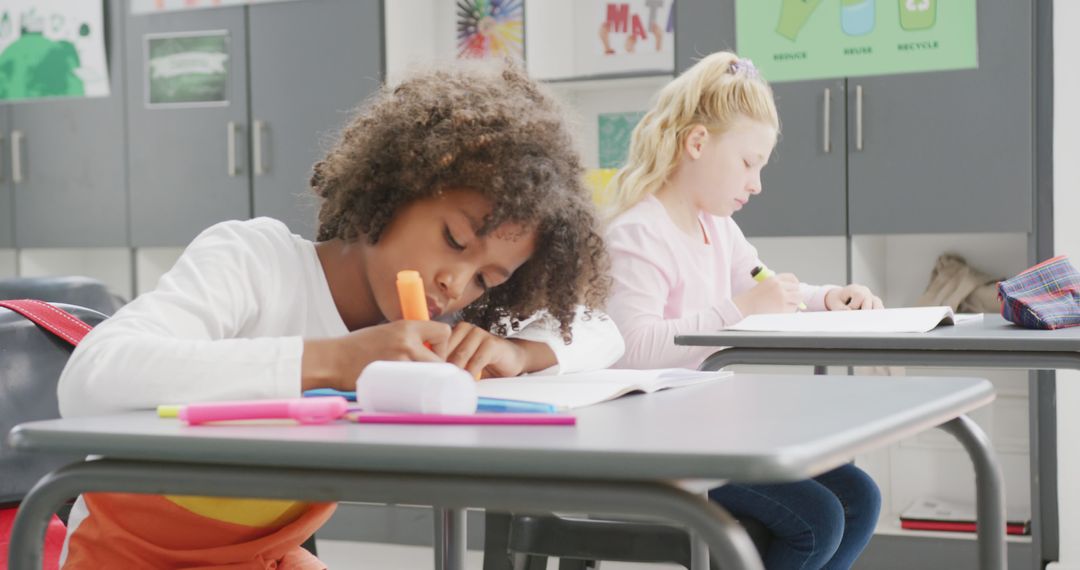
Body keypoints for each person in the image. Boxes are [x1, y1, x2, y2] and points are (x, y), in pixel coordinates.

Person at [56, 61, 621, 569]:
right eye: (453, 239)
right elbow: (91, 376)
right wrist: (334, 361)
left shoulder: (431, 329)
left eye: (486, 280)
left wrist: (516, 351)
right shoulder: (255, 261)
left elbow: (601, 330)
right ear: (399, 186)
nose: (455, 284)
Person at [604, 51, 882, 569]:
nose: (756, 184)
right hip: (655, 442)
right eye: (748, 163)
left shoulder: (717, 227)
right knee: (817, 519)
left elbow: (766, 288)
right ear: (696, 143)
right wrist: (738, 309)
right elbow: (631, 350)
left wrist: (827, 298)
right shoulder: (639, 232)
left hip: (707, 430)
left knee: (860, 497)